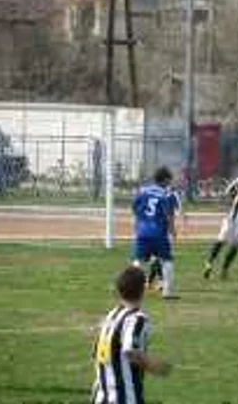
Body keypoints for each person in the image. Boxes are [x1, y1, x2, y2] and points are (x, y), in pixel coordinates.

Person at [91, 266, 171, 403]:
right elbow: (130, 351)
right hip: (125, 398)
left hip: (102, 396)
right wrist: (156, 367)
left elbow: (96, 349)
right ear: (144, 289)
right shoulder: (136, 319)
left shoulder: (111, 316)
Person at [132, 167, 178, 300]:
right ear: (164, 180)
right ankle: (167, 293)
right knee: (167, 260)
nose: (170, 183)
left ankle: (133, 290)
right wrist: (172, 230)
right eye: (169, 180)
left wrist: (141, 222)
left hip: (142, 231)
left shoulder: (143, 191)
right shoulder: (165, 194)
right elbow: (168, 215)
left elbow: (135, 207)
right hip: (158, 232)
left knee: (139, 261)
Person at [203, 175, 238, 280]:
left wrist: (235, 198)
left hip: (231, 215)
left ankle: (209, 262)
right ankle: (224, 270)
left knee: (221, 240)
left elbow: (228, 191)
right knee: (235, 245)